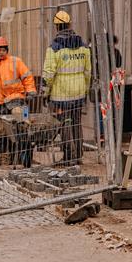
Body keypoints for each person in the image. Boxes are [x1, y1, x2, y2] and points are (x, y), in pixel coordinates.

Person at [41, 10, 91, 165]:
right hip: (78, 93)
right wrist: (85, 90)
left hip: (61, 95)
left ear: (57, 27)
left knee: (64, 123)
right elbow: (88, 71)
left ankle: (70, 157)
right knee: (76, 122)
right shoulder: (83, 45)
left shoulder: (54, 47)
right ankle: (79, 155)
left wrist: (45, 93)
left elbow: (48, 74)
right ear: (70, 24)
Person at [0, 36, 37, 114]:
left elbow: (27, 77)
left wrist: (30, 90)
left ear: (7, 51)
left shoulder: (15, 61)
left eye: (3, 50)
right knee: (2, 123)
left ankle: (25, 122)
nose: (1, 52)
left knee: (18, 113)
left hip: (15, 97)